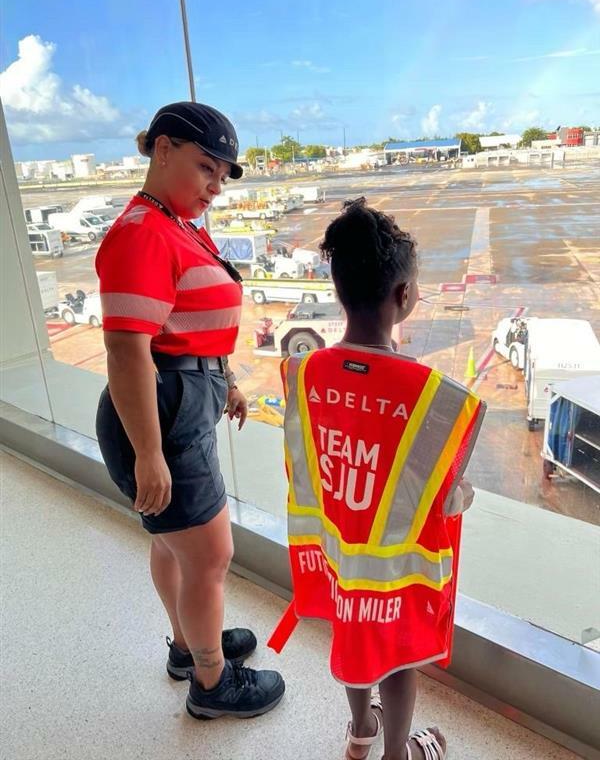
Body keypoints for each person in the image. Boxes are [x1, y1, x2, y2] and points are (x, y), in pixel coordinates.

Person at [95, 101, 285, 720]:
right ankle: (211, 683)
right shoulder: (142, 233)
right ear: (162, 149)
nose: (214, 185)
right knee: (209, 557)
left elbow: (185, 326)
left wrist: (222, 378)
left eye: (223, 174)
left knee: (177, 546)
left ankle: (186, 646)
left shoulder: (176, 221)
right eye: (205, 166)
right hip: (160, 414)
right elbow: (127, 352)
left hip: (182, 400)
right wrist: (149, 454)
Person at [275, 198, 484, 759]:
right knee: (396, 657)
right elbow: (448, 494)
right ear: (404, 297)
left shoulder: (304, 371)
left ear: (340, 290)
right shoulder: (432, 396)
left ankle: (361, 728)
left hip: (337, 552)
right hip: (395, 568)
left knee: (352, 639)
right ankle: (399, 753)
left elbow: (301, 457)